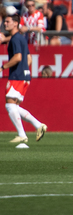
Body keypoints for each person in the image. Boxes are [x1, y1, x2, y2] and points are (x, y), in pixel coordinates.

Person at [2, 12, 47, 144]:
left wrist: (2, 68)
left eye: (7, 21)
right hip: (25, 75)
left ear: (15, 23)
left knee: (10, 105)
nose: (5, 24)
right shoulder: (21, 38)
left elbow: (18, 58)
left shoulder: (15, 38)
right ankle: (38, 125)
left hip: (17, 76)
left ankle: (22, 134)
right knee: (14, 106)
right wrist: (24, 69)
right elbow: (29, 59)